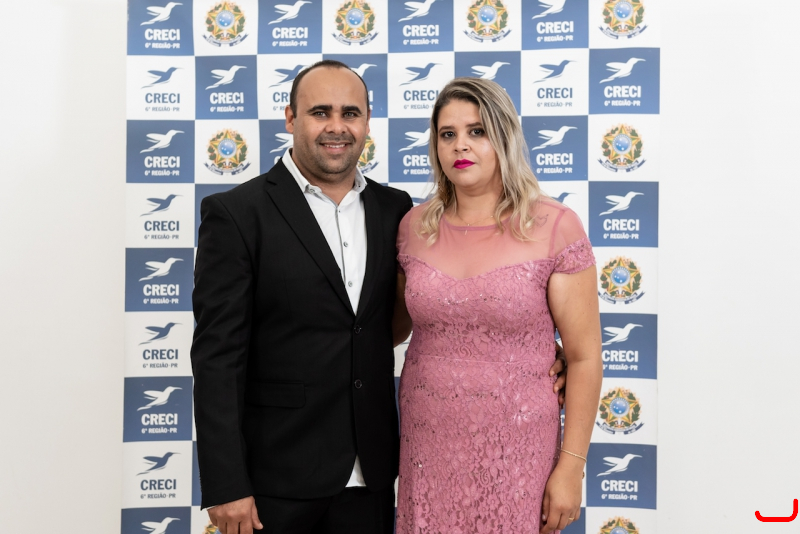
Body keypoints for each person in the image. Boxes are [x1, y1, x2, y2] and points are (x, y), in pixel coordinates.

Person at [191, 61, 569, 534]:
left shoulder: (397, 212)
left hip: (373, 474)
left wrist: (533, 351)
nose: (336, 126)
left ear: (368, 122)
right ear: (290, 118)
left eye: (350, 113)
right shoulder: (236, 214)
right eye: (320, 112)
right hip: (275, 478)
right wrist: (226, 482)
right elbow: (217, 358)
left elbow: (412, 315)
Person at [393, 77, 603, 534]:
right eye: (447, 134)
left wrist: (571, 467)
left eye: (477, 131)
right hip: (428, 442)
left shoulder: (554, 225)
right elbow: (389, 329)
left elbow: (585, 357)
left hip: (518, 446)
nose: (460, 145)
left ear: (504, 136)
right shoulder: (412, 227)